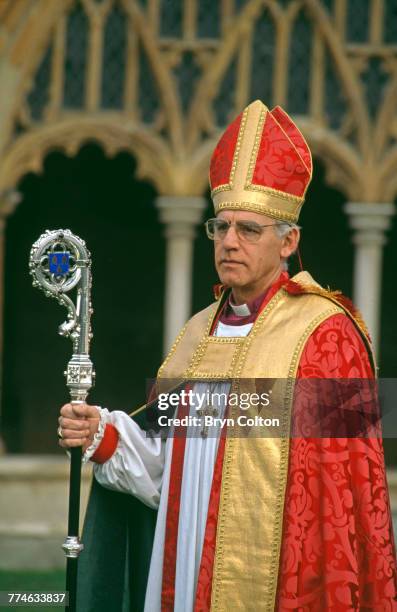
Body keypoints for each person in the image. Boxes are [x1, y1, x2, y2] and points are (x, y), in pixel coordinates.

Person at [58, 100, 397, 611]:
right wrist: (102, 433)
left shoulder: (326, 336)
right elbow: (166, 469)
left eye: (248, 229)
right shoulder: (198, 333)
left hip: (281, 583)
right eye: (220, 227)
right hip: (184, 572)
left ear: (289, 241)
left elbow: (336, 503)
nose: (229, 242)